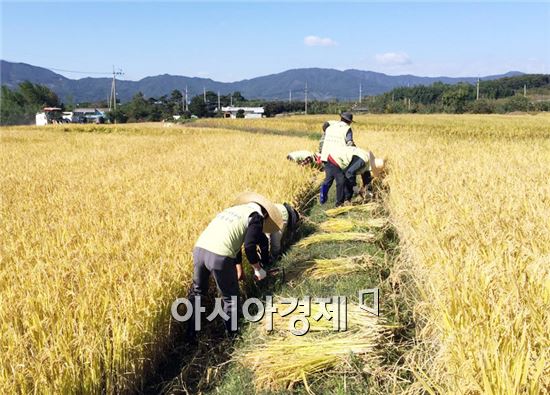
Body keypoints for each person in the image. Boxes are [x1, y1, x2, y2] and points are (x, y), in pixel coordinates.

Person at [186, 192, 283, 340]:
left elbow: (234, 242)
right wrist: (258, 269)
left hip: (199, 250)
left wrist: (239, 269)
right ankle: (232, 337)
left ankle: (191, 334)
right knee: (230, 298)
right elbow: (249, 246)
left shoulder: (232, 211)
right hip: (219, 255)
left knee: (198, 292)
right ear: (265, 215)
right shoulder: (256, 217)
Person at [318, 112, 355, 203]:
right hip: (337, 157)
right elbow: (349, 143)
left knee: (329, 178)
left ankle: (322, 196)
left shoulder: (330, 128)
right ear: (349, 122)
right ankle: (339, 203)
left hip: (326, 155)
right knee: (341, 180)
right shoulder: (347, 129)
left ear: (341, 119)